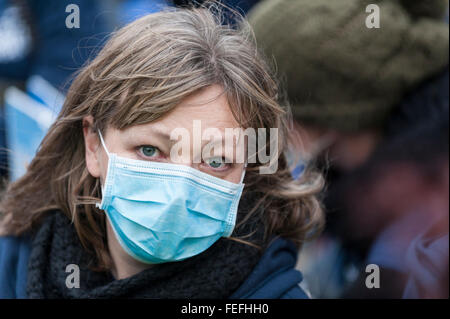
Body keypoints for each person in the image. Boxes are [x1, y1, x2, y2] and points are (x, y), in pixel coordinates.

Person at [0, 5, 324, 298]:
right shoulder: (14, 267)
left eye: (215, 161)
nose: (178, 192)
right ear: (93, 146)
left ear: (248, 170)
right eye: (150, 150)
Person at [247, 0, 449, 297]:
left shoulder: (422, 227)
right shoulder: (349, 202)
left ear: (328, 113)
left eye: (265, 116)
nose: (255, 136)